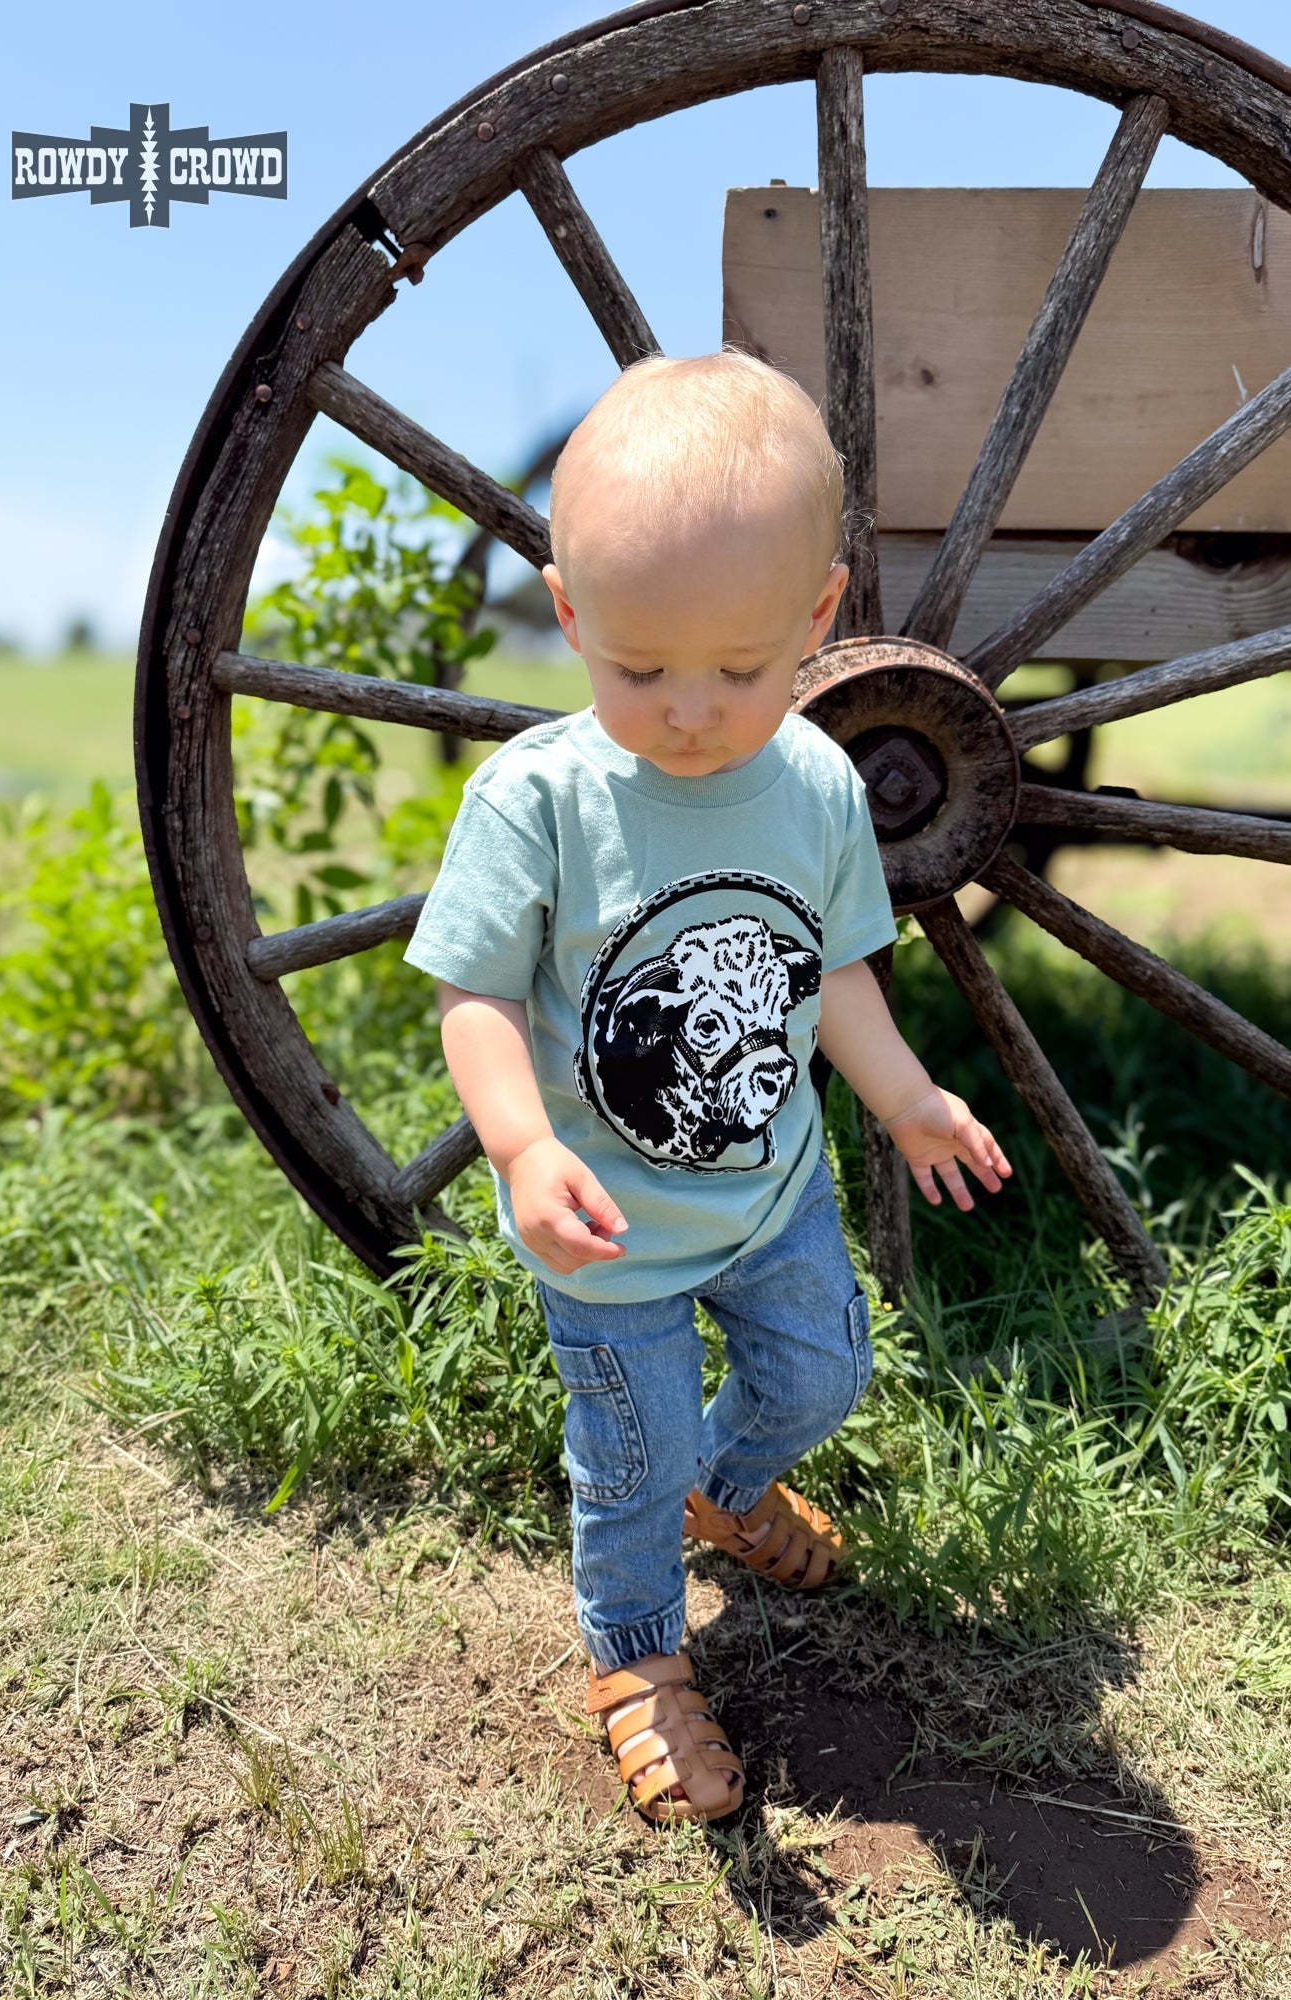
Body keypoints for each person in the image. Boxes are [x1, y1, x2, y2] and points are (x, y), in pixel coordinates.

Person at [403, 348, 1012, 1825]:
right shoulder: (540, 800)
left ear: (816, 619)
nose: (686, 711)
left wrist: (906, 1098)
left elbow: (832, 974)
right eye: (636, 669)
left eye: (737, 671)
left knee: (824, 1372)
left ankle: (727, 1492)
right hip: (611, 1234)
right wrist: (520, 1145)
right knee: (627, 1459)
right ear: (568, 614)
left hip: (770, 1196)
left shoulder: (808, 783)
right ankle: (635, 1658)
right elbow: (472, 993)